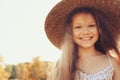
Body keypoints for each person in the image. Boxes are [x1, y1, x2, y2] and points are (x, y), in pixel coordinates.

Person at [45, 0, 120, 80]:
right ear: (70, 32)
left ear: (99, 29)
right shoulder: (63, 66)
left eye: (91, 25)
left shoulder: (112, 63)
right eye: (78, 27)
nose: (85, 32)